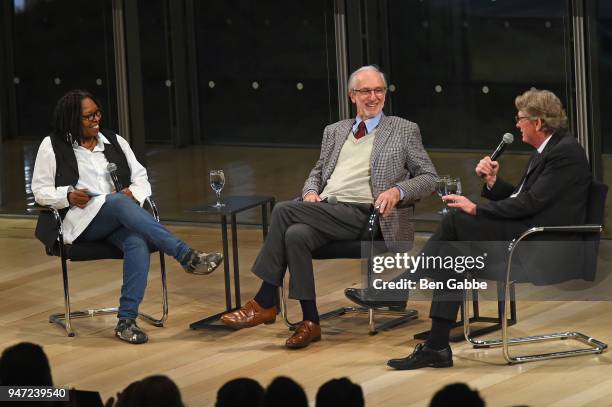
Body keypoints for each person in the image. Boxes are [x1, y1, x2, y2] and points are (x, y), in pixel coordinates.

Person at [347, 89, 592, 369]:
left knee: (455, 220)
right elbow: (523, 199)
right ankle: (436, 346)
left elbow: (531, 204)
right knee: (452, 253)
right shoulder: (547, 150)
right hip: (526, 234)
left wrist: (476, 208)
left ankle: (399, 288)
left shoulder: (564, 153)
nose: (516, 124)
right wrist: (493, 183)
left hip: (544, 247)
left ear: (537, 123)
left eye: (520, 118)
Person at [219, 65, 437, 348]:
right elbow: (318, 172)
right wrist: (310, 192)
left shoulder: (403, 130)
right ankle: (311, 322)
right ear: (352, 96)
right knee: (295, 234)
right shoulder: (334, 131)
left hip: (370, 217)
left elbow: (429, 178)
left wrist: (398, 190)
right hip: (328, 210)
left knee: (284, 211)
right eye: (365, 91)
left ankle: (265, 299)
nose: (373, 97)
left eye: (378, 90)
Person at [32, 89, 223, 344]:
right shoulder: (52, 145)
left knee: (136, 241)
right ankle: (186, 256)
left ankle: (126, 321)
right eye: (88, 116)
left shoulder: (114, 141)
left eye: (97, 113)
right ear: (71, 119)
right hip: (78, 223)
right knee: (118, 202)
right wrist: (66, 195)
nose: (96, 119)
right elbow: (40, 191)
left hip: (119, 217)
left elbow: (141, 177)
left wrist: (134, 193)